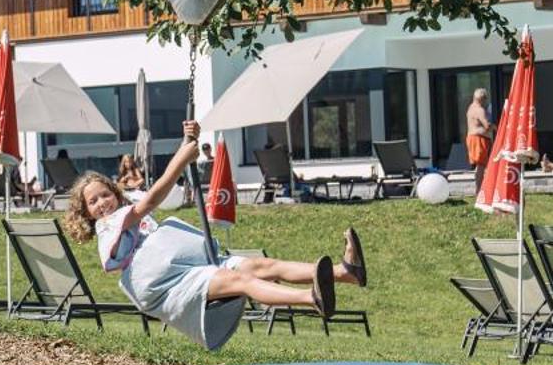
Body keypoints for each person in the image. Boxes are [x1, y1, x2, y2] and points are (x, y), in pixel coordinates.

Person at [63, 121, 368, 350]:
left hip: (186, 267)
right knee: (242, 281)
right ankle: (310, 298)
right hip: (162, 284)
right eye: (93, 201)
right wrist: (182, 158)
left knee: (260, 266)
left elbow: (161, 190)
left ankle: (346, 272)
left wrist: (188, 140)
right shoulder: (109, 225)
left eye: (105, 194)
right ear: (87, 213)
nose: (102, 203)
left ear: (115, 193)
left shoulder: (126, 207)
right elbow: (153, 199)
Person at [466, 88, 493, 191]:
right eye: (484, 99)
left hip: (472, 137)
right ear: (482, 99)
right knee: (481, 165)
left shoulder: (470, 108)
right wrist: (496, 127)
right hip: (478, 139)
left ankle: (482, 189)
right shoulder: (480, 110)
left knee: (481, 165)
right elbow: (487, 126)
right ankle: (479, 191)